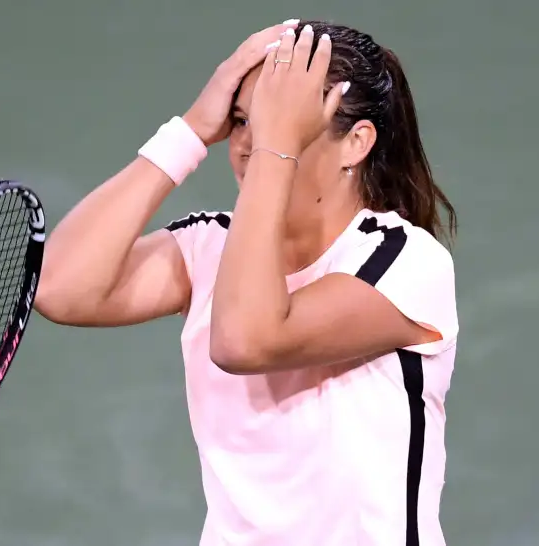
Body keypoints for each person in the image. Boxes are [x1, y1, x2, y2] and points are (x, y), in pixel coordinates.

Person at [35, 18, 459, 546]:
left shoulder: (404, 261)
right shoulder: (210, 246)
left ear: (356, 142)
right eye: (241, 121)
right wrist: (191, 130)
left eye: (283, 120)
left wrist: (275, 148)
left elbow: (245, 339)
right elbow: (58, 288)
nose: (248, 143)